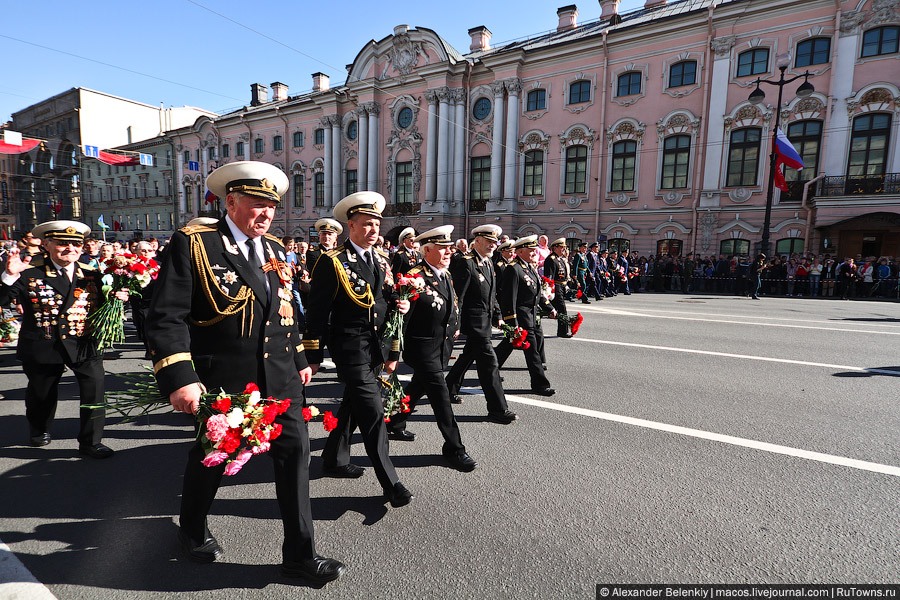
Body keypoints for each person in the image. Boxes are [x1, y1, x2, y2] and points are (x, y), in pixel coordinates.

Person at [145, 161, 344, 583]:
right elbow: (166, 316)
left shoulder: (273, 248)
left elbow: (284, 311)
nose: (266, 214)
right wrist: (181, 376)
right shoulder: (196, 243)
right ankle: (193, 529)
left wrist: (300, 360)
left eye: (271, 206)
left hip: (281, 380)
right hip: (227, 382)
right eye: (257, 204)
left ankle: (300, 554)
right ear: (230, 201)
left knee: (295, 459)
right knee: (212, 459)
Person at [303, 191, 413, 508]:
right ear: (350, 226)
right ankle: (391, 483)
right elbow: (317, 312)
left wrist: (398, 302)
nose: (373, 230)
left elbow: (381, 298)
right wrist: (313, 356)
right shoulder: (332, 260)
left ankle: (334, 459)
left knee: (352, 404)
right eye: (366, 224)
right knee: (373, 412)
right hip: (349, 347)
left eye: (376, 224)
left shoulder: (379, 258)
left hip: (374, 346)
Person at [0, 220, 127, 457]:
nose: (70, 248)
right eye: (62, 243)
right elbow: (2, 300)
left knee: (95, 389)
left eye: (76, 243)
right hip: (44, 343)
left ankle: (91, 442)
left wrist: (119, 296)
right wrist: (8, 275)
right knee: (42, 393)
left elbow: (102, 303)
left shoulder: (92, 273)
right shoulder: (29, 272)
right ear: (46, 245)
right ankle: (40, 428)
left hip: (83, 342)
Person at [384, 226, 478, 472]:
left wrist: (455, 325)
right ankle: (455, 448)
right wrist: (393, 355)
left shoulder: (445, 274)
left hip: (442, 346)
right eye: (443, 248)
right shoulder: (414, 277)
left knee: (417, 387)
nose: (448, 252)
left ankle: (395, 420)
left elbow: (453, 302)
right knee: (441, 396)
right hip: (422, 348)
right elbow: (399, 320)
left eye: (449, 248)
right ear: (427, 250)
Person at [444, 224, 516, 423]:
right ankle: (498, 409)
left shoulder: (488, 262)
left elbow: (492, 294)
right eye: (489, 241)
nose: (493, 245)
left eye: (495, 242)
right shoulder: (466, 263)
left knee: (468, 356)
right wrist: (455, 325)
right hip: (474, 323)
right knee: (489, 364)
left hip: (485, 321)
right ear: (477, 241)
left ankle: (448, 388)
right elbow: (458, 296)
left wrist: (498, 316)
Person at [495, 235, 557, 396]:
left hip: (532, 315)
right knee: (532, 351)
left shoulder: (529, 267)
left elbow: (537, 292)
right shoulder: (513, 269)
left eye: (534, 250)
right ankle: (540, 385)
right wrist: (512, 322)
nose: (534, 253)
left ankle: (489, 368)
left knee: (507, 345)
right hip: (522, 317)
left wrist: (549, 307)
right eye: (530, 250)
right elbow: (509, 298)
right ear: (520, 251)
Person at [542, 238, 572, 338]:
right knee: (561, 309)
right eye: (561, 247)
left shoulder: (560, 259)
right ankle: (563, 331)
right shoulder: (551, 259)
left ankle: (563, 330)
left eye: (564, 247)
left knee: (557, 309)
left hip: (562, 286)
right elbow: (549, 277)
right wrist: (550, 290)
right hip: (556, 287)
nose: (563, 249)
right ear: (555, 247)